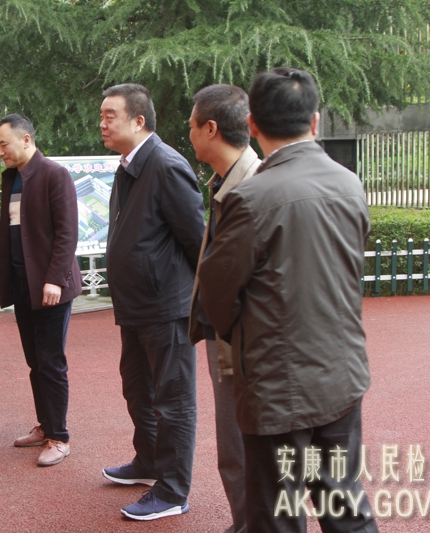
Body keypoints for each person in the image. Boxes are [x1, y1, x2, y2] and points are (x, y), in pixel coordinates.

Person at [198, 68, 378, 533]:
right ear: (314, 121)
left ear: (253, 124)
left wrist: (245, 336)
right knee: (343, 503)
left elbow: (217, 293)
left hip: (277, 385)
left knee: (277, 515)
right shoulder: (349, 183)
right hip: (341, 373)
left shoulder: (251, 196)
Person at [99, 83, 204, 521]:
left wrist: (187, 299)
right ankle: (148, 462)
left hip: (166, 308)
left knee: (173, 400)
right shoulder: (127, 166)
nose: (102, 124)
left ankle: (173, 489)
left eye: (110, 116)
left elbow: (197, 241)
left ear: (138, 121)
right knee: (137, 389)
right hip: (136, 306)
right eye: (102, 116)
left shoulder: (166, 165)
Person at [187, 84, 260, 533]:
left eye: (192, 126)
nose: (189, 134)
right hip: (226, 333)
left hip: (245, 339)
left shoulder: (252, 187)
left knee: (243, 442)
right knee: (232, 443)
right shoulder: (224, 180)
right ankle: (245, 521)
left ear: (210, 128)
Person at [0, 114, 82, 467]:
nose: (0, 151)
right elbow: (8, 233)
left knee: (51, 362)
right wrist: (1, 277)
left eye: (4, 144)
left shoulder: (54, 175)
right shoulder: (12, 178)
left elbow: (67, 233)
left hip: (50, 287)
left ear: (26, 140)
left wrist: (55, 279)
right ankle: (45, 425)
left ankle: (59, 437)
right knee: (35, 362)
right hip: (21, 283)